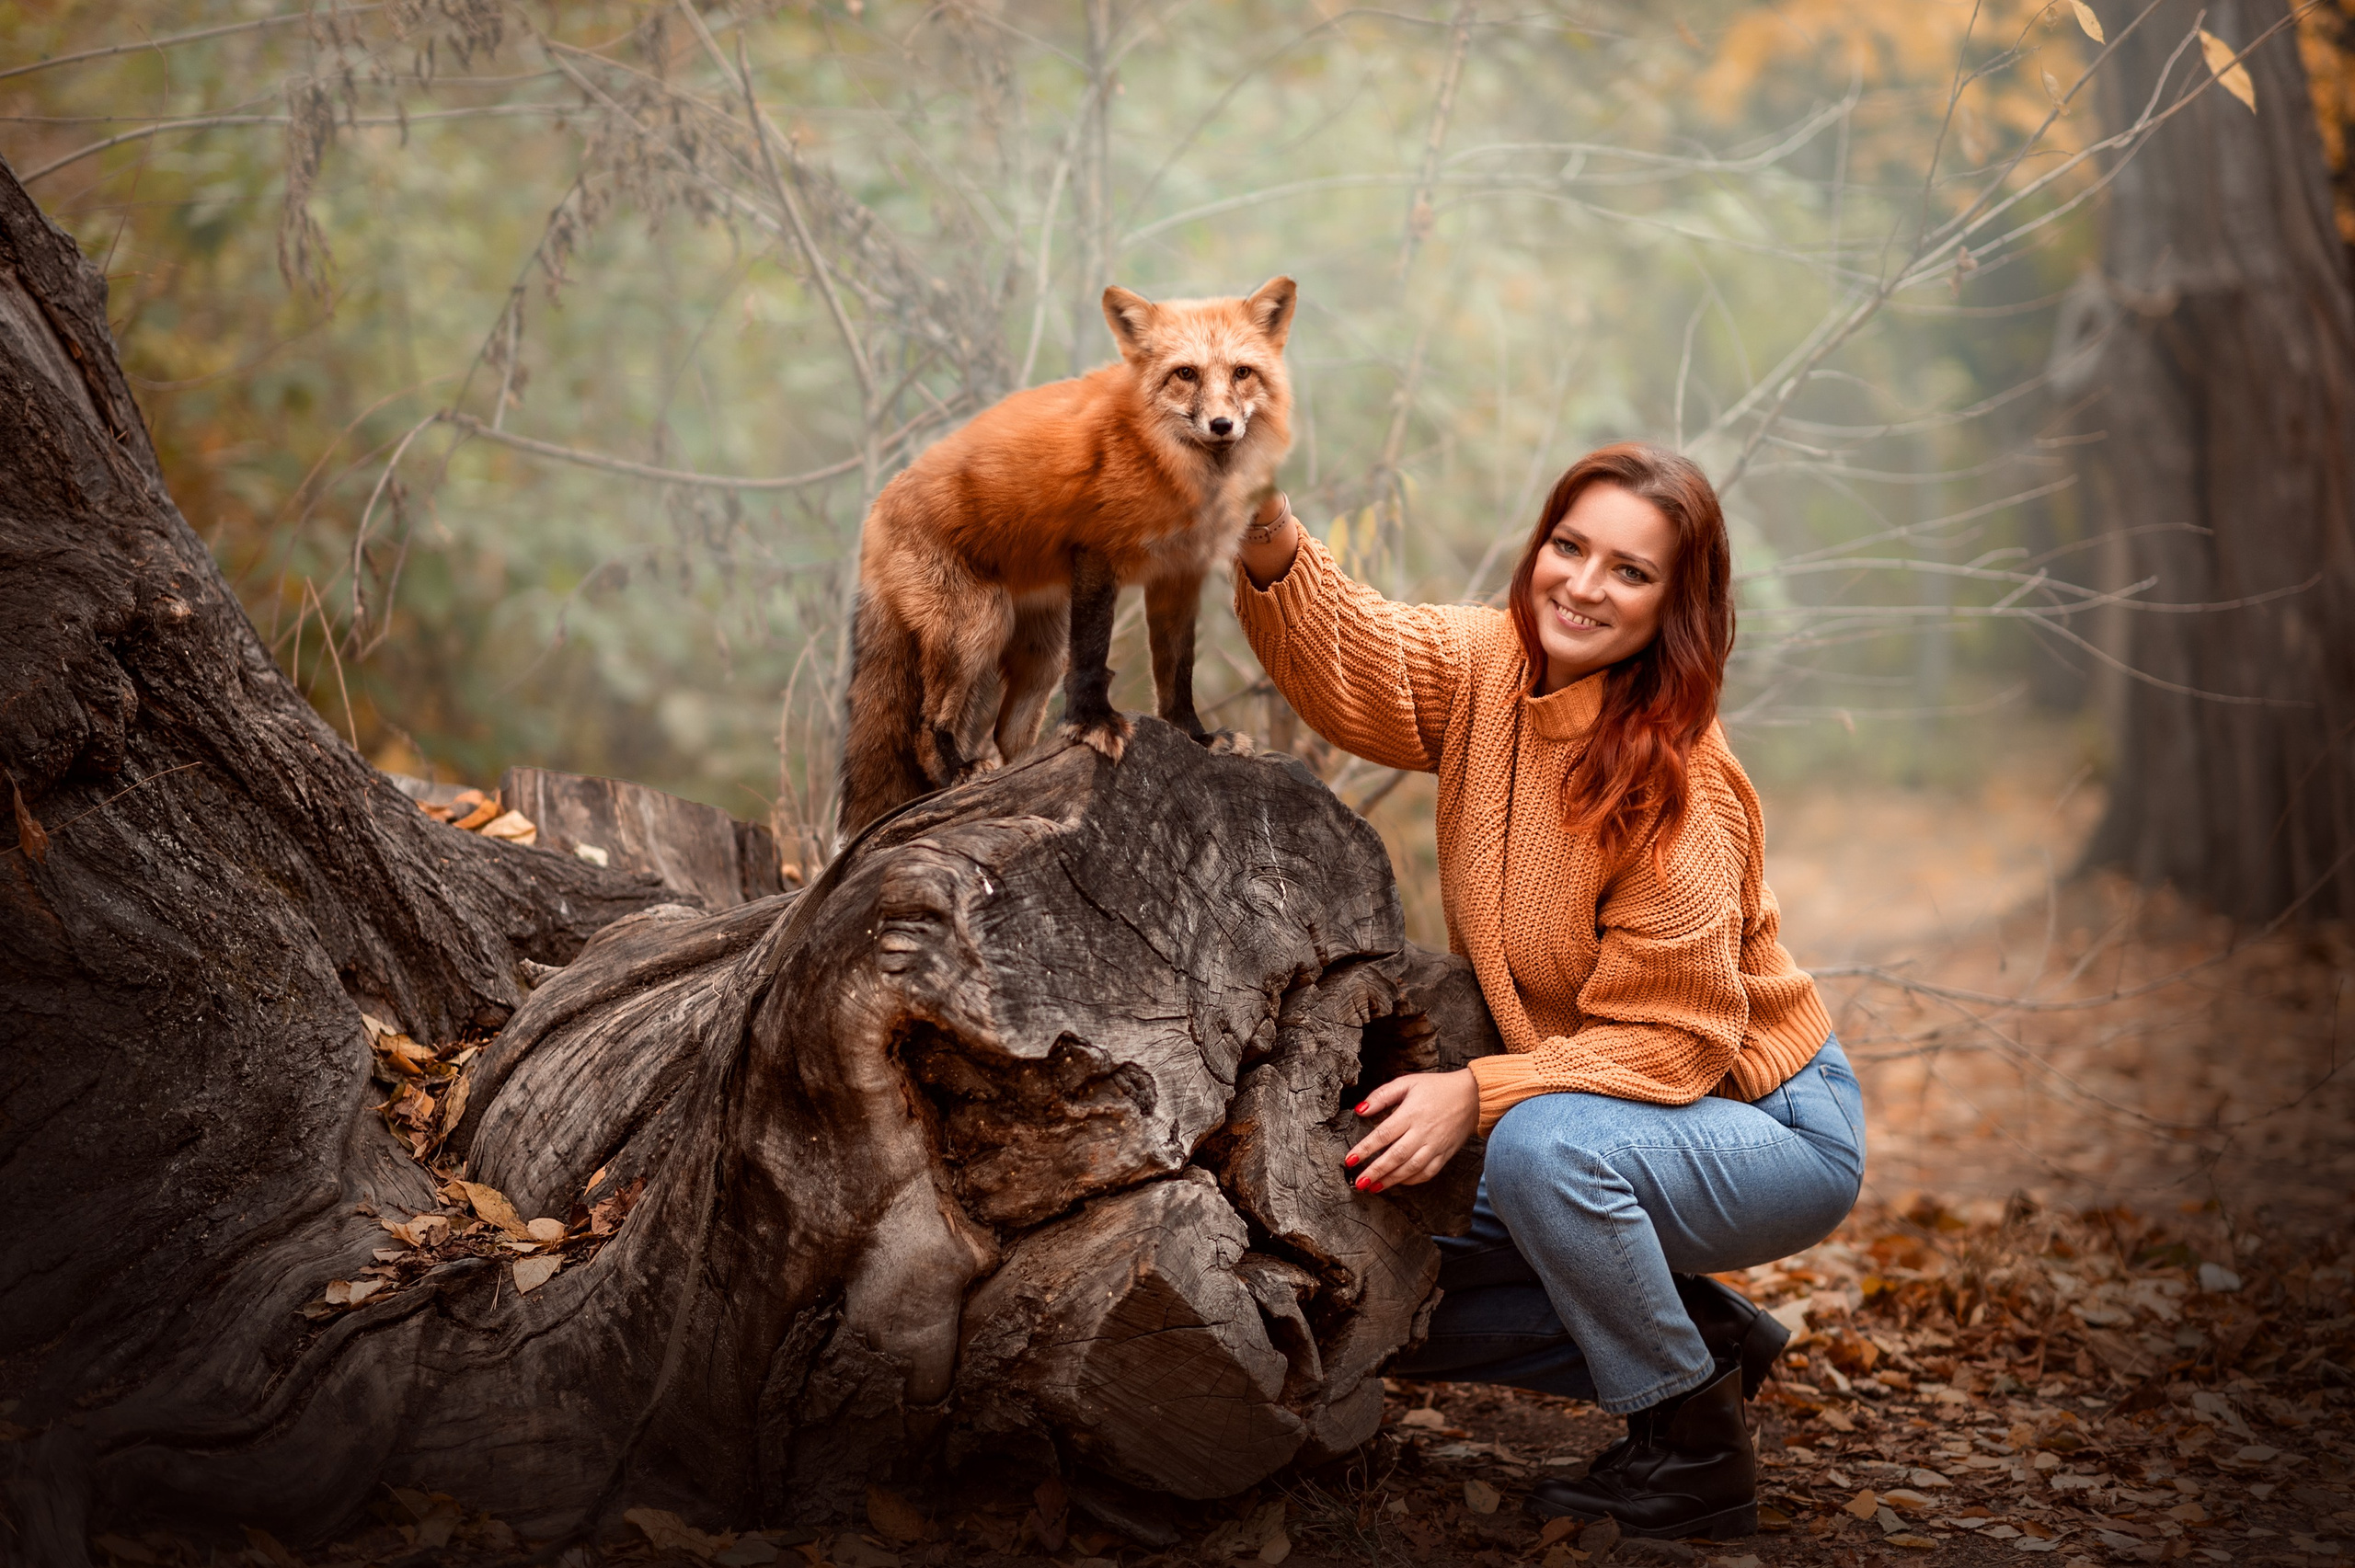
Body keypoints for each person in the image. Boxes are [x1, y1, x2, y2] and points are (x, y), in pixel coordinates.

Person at [1232, 441, 1865, 1542]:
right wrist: (1265, 531)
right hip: (1597, 1106)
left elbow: (1676, 1045)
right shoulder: (1490, 666)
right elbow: (1358, 659)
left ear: (1677, 603)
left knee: (1544, 1152)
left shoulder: (1678, 785)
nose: (1582, 583)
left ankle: (1694, 1451)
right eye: (1568, 547)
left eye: (1630, 570)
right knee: (1370, 1263)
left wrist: (1476, 1093)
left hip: (1766, 1118)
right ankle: (1702, 1337)